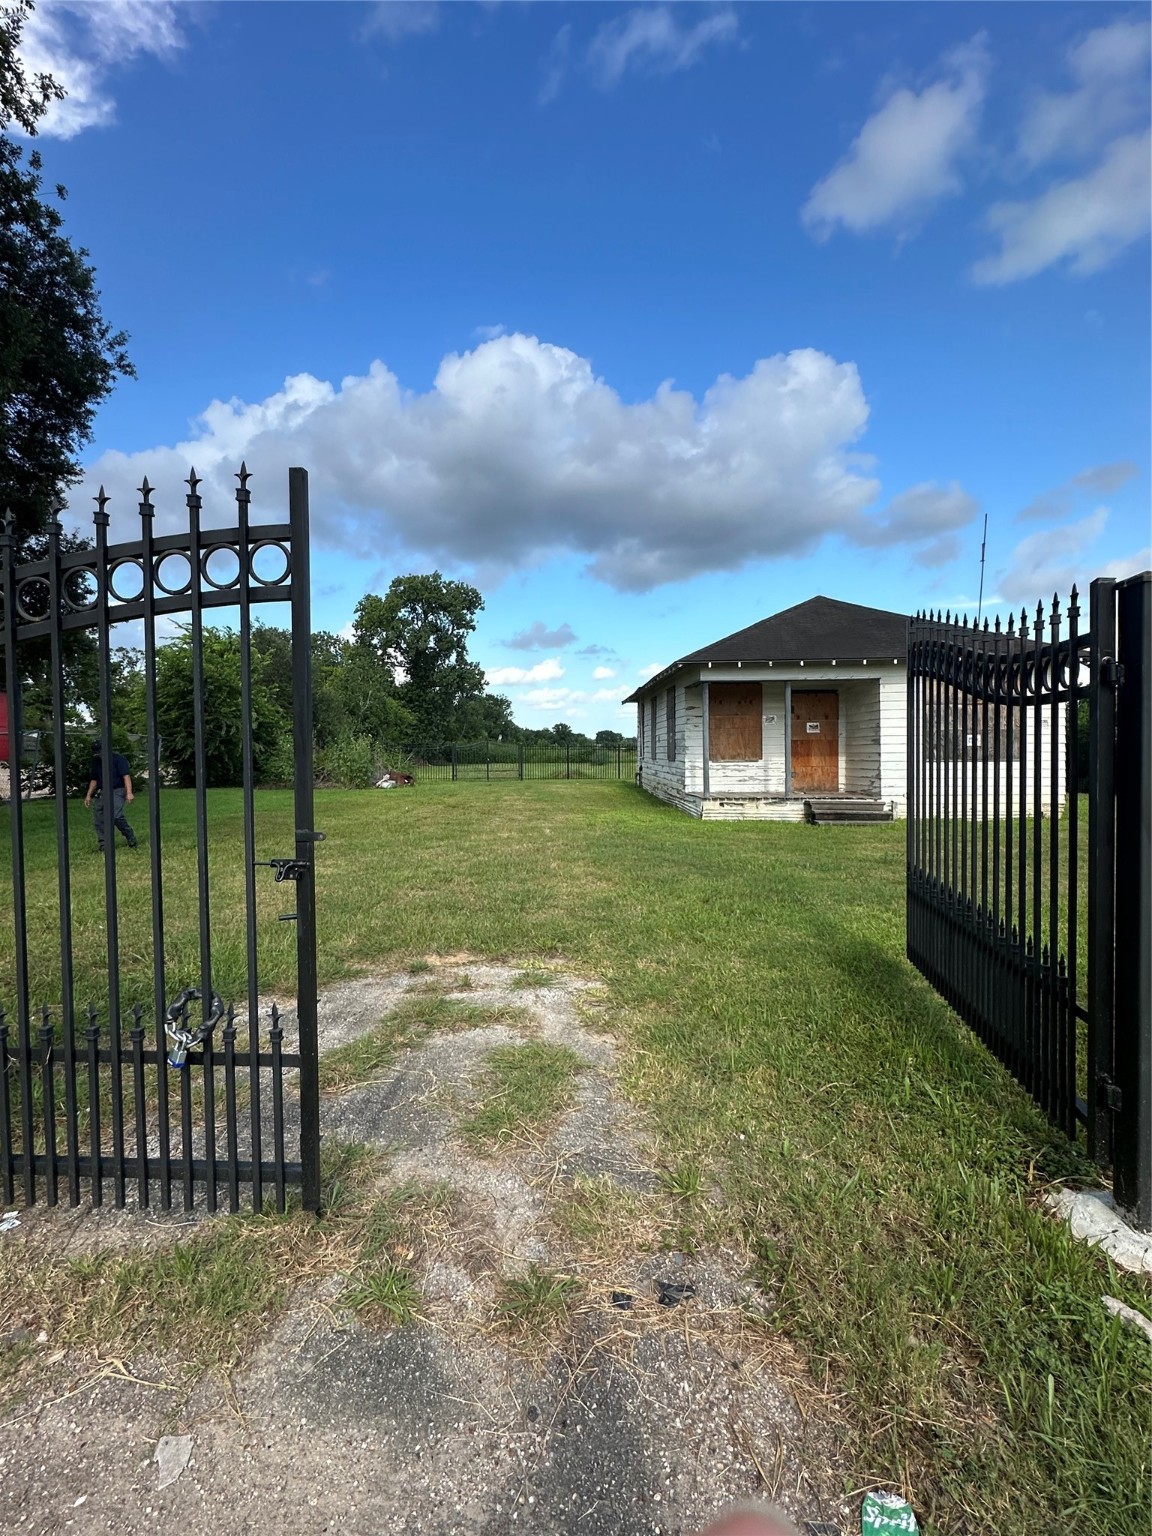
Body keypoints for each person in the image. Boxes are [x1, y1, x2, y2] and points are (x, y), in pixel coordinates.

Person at [84, 739, 138, 852]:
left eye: (100, 752)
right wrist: (89, 795)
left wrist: (129, 792)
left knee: (116, 815)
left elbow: (126, 776)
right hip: (103, 791)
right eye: (96, 752)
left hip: (118, 789)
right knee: (99, 817)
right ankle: (104, 845)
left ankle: (129, 835)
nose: (98, 754)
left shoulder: (118, 759)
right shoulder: (96, 762)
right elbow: (94, 780)